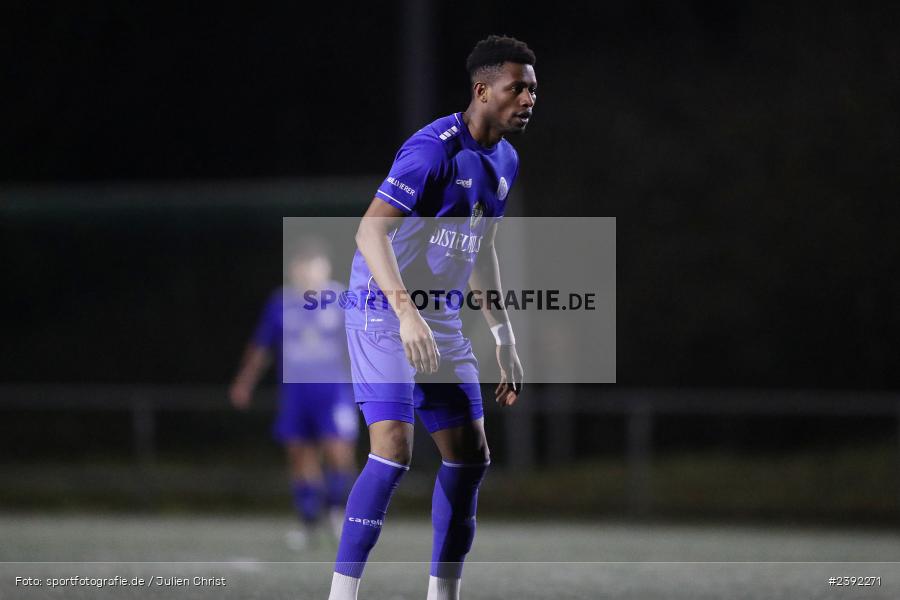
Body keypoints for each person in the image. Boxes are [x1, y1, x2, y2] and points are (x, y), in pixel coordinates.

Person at [328, 35, 535, 600]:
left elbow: (480, 247)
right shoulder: (431, 150)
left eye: (533, 89)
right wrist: (405, 314)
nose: (528, 98)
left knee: (470, 458)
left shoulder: (507, 160)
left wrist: (503, 334)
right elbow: (370, 230)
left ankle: (442, 594)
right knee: (392, 449)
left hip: (439, 317)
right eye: (518, 87)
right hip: (381, 304)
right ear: (482, 89)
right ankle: (341, 595)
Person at [230, 238, 359, 549]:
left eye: (314, 269)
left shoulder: (342, 298)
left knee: (340, 454)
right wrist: (244, 381)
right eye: (302, 270)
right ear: (294, 271)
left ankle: (337, 511)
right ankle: (308, 522)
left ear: (324, 270)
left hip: (334, 392)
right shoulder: (281, 303)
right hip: (295, 394)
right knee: (300, 457)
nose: (308, 276)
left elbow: (364, 342)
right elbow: (261, 347)